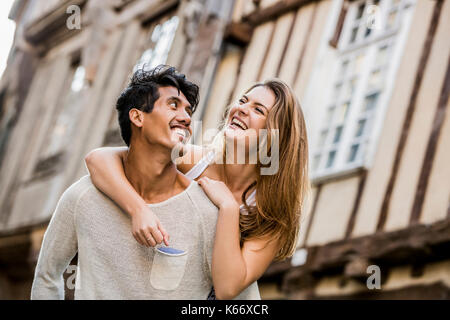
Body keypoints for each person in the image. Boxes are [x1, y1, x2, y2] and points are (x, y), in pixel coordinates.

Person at [85, 78, 310, 300]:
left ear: (275, 135)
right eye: (243, 100)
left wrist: (228, 208)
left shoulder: (273, 211)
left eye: (258, 110)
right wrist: (137, 210)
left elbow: (227, 288)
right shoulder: (195, 161)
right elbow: (98, 159)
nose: (241, 109)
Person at [31, 65, 229, 299]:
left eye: (188, 111)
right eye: (173, 105)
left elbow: (242, 299)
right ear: (137, 117)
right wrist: (138, 209)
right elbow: (46, 276)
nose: (186, 118)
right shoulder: (81, 197)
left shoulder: (208, 212)